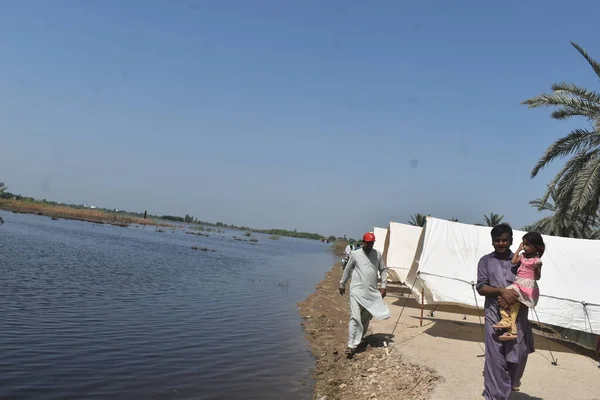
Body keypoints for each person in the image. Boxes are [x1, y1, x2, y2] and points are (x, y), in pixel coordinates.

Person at [476, 223, 534, 399]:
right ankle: (495, 396)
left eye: (504, 240)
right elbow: (481, 287)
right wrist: (501, 291)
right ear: (492, 241)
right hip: (494, 314)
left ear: (511, 241)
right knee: (495, 358)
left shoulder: (521, 260)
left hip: (518, 315)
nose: (501, 243)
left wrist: (513, 294)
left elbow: (530, 282)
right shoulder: (485, 261)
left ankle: (508, 385)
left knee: (517, 355)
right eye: (497, 240)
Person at [339, 232, 390, 357]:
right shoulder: (355, 254)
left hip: (371, 293)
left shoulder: (377, 255)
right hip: (356, 291)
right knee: (355, 317)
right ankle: (351, 345)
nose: (369, 245)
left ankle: (359, 339)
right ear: (363, 242)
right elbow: (347, 269)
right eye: (367, 243)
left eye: (371, 243)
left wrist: (384, 286)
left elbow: (383, 270)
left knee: (366, 318)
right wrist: (342, 283)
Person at [493, 232, 544, 341]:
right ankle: (510, 327)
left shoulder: (537, 261)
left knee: (509, 299)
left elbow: (537, 277)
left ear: (536, 247)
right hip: (518, 283)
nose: (524, 247)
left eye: (527, 245)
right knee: (507, 300)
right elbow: (513, 261)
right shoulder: (523, 256)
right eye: (523, 244)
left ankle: (508, 324)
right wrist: (519, 249)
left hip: (527, 286)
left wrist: (536, 268)